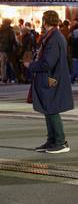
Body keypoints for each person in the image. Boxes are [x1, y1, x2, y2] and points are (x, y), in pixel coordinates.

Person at [24, 11, 74, 154]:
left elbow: (48, 63)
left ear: (45, 21)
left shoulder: (54, 37)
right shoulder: (53, 36)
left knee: (51, 109)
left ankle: (60, 142)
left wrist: (30, 66)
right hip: (51, 78)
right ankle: (52, 140)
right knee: (48, 109)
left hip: (52, 79)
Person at [0, 19, 23, 83]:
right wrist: (16, 47)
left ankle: (4, 78)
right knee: (13, 64)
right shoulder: (10, 30)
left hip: (2, 49)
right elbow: (13, 40)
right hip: (9, 49)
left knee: (3, 64)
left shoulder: (0, 30)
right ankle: (18, 77)